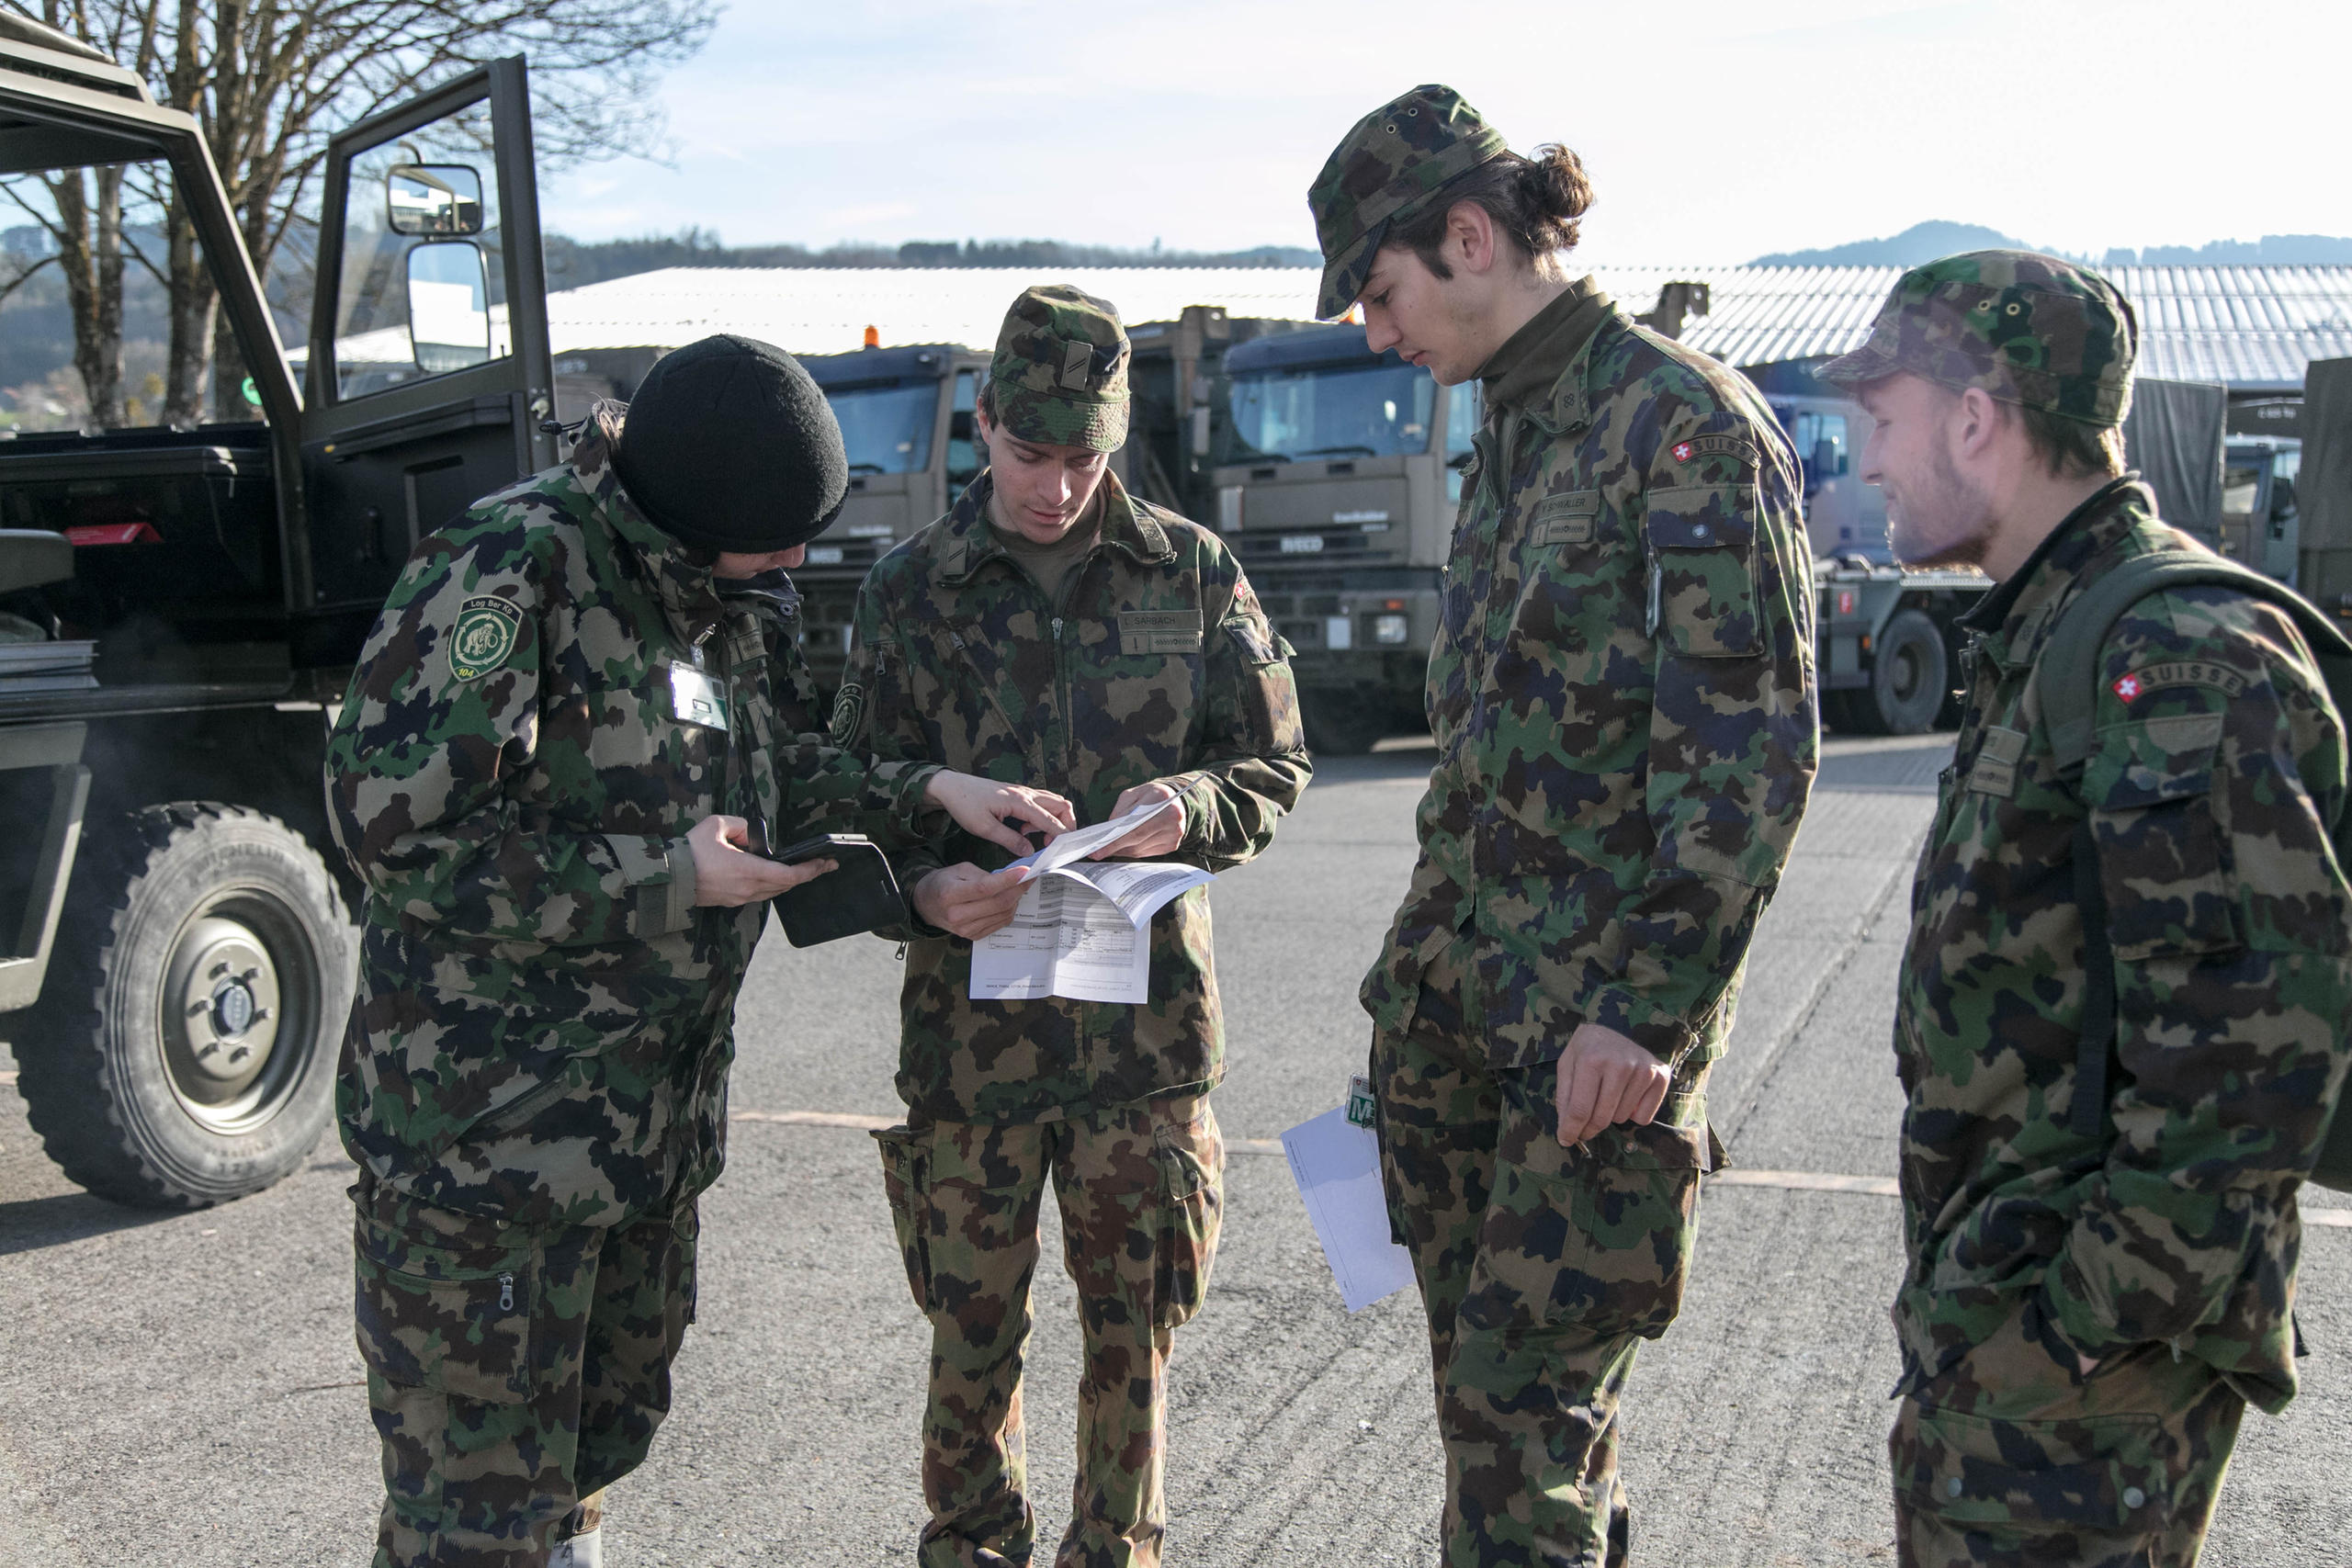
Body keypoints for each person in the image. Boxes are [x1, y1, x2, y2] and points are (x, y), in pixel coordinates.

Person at [325, 333, 1073, 1568]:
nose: (793, 560)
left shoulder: (712, 595)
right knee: (471, 1513)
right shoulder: (515, 569)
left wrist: (934, 797)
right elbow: (392, 833)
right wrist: (669, 875)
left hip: (640, 1145)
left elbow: (770, 771)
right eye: (774, 537)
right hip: (488, 1159)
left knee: (586, 1462)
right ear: (692, 508)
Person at [1309, 86, 1818, 1566]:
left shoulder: (1678, 426)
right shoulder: (1517, 434)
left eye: (1383, 290)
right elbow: (1486, 758)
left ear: (1469, 238)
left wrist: (1645, 1012)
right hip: (1465, 1029)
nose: (1375, 333)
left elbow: (1750, 757)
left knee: (1522, 1456)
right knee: (1507, 1440)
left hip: (1589, 1052)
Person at [1816, 251, 2352, 1568]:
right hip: (2018, 1333)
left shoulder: (2169, 655)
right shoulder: (2057, 633)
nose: (1867, 464)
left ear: (1976, 418)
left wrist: (2073, 1329)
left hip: (2079, 1380)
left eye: (1881, 423)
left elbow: (2254, 1059)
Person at [835, 284, 1311, 1568]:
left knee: (1132, 1338)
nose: (1055, 489)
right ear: (982, 425)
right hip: (969, 1035)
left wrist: (1189, 802)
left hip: (1143, 1043)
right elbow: (835, 785)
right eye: (1032, 455)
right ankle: (971, 1549)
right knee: (970, 1337)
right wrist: (931, 847)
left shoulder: (1194, 571)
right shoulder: (911, 592)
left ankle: (1118, 1553)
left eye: (1084, 457)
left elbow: (1274, 767)